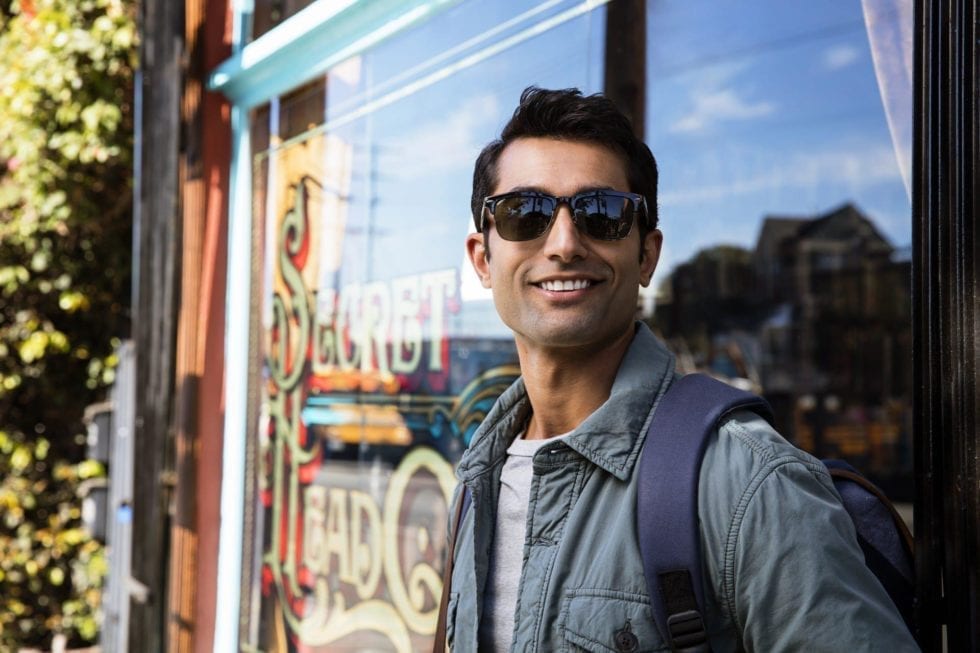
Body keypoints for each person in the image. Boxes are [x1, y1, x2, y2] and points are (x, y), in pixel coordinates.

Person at [443, 86, 917, 652]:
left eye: (603, 214)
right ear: (482, 259)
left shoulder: (747, 483)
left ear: (646, 255)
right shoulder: (478, 479)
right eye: (526, 213)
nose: (564, 244)